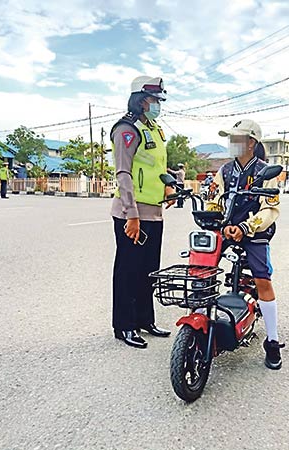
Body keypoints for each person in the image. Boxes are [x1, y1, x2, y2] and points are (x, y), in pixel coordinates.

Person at [212, 119, 284, 370]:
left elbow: (270, 211)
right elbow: (216, 201)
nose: (231, 144)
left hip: (255, 231)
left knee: (263, 279)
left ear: (251, 143)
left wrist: (246, 227)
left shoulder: (267, 171)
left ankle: (273, 341)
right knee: (202, 267)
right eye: (230, 139)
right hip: (227, 228)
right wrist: (216, 220)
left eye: (236, 139)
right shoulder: (224, 171)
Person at [110, 75, 174, 349]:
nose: (157, 105)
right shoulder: (127, 129)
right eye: (153, 100)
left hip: (154, 212)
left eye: (159, 100)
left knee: (149, 270)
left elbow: (155, 168)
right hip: (132, 214)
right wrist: (131, 215)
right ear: (140, 100)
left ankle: (145, 320)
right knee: (128, 271)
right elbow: (123, 173)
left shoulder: (154, 129)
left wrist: (169, 187)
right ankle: (124, 326)